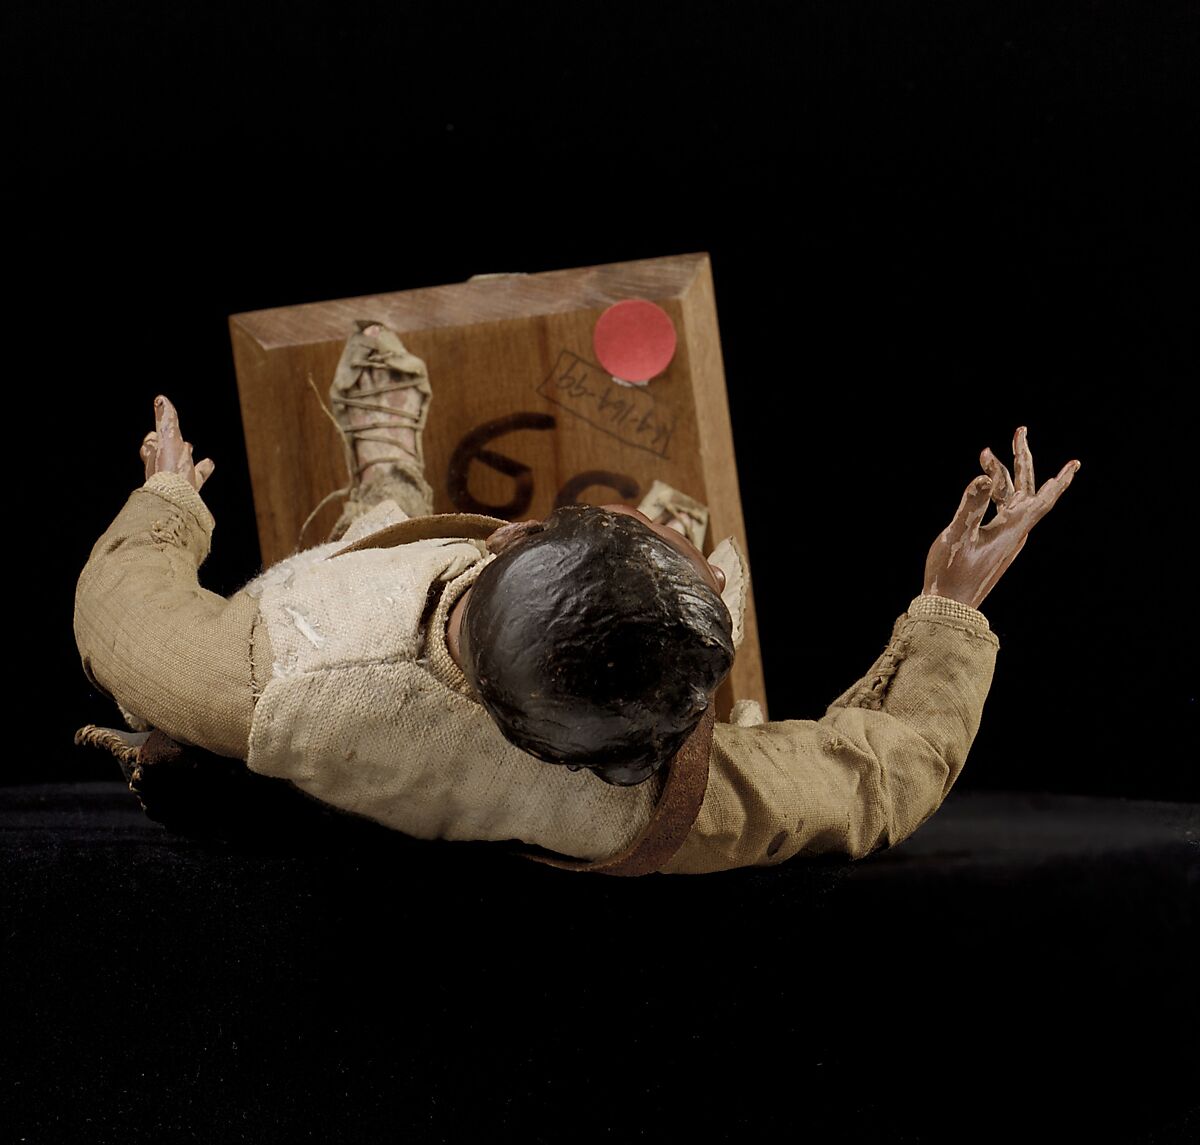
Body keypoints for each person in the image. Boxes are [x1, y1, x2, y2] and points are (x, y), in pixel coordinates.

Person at [74, 323, 1080, 875]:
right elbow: (875, 781)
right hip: (461, 775)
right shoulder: (640, 811)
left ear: (512, 537)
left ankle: (380, 495)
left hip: (324, 710)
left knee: (338, 566)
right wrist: (948, 608)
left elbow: (119, 608)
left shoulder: (275, 666)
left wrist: (167, 496)